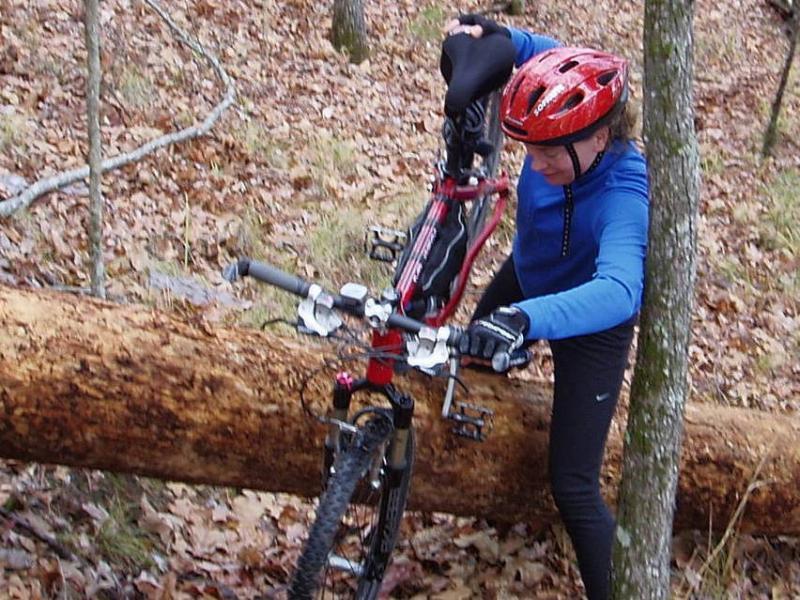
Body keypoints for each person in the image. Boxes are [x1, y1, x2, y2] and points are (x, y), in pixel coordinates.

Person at [445, 14, 649, 600]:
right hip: (526, 277)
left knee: (575, 485)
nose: (535, 167)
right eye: (528, 151)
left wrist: (528, 319)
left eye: (550, 156)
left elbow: (618, 290)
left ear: (599, 136)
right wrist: (493, 37)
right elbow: (531, 53)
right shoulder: (568, 95)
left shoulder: (623, 192)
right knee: (468, 366)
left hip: (592, 324)